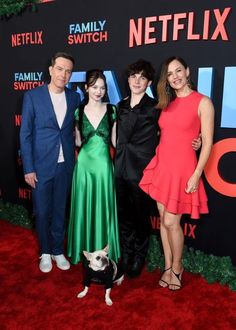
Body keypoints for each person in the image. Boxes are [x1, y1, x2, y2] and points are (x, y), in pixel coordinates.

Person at [139, 56, 214, 290]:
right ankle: (168, 266)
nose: (175, 77)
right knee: (164, 220)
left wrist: (197, 174)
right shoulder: (167, 103)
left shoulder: (203, 102)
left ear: (187, 71)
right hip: (163, 166)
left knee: (172, 220)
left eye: (178, 71)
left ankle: (178, 267)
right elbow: (168, 133)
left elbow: (209, 142)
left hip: (184, 170)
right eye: (170, 74)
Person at [20, 52, 80, 273]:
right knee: (43, 211)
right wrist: (29, 168)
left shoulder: (74, 98)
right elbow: (25, 134)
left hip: (65, 165)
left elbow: (75, 129)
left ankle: (57, 250)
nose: (64, 74)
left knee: (59, 210)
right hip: (41, 165)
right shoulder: (33, 96)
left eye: (68, 71)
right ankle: (45, 251)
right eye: (60, 69)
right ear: (51, 69)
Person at [67, 69, 120, 264]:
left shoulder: (112, 109)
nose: (99, 91)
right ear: (86, 88)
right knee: (84, 206)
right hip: (84, 167)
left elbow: (115, 141)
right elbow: (79, 142)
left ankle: (105, 251)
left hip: (104, 167)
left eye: (102, 87)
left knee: (103, 207)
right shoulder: (78, 112)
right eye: (94, 87)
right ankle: (84, 250)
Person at [115, 59, 161, 278]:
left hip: (142, 172)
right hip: (120, 169)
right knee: (123, 216)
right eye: (134, 76)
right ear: (128, 79)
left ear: (149, 82)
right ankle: (126, 254)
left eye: (142, 77)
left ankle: (139, 257)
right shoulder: (120, 106)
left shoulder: (155, 107)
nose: (137, 81)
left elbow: (168, 135)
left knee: (141, 217)